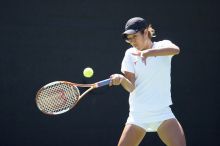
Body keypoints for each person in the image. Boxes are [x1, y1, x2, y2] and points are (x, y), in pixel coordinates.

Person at [110, 17, 186, 146]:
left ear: (145, 32)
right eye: (129, 38)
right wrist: (122, 79)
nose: (132, 41)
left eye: (134, 36)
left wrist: (148, 53)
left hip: (162, 114)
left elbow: (176, 50)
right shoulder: (129, 54)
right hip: (138, 116)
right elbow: (131, 87)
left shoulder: (162, 45)